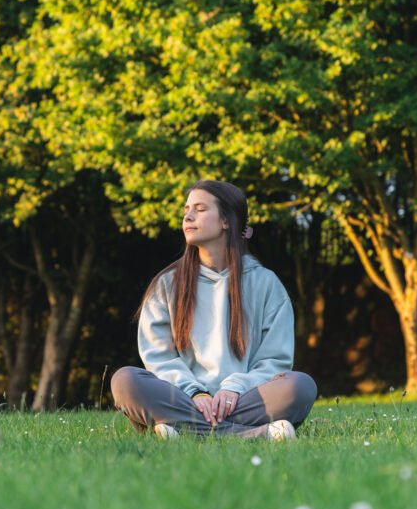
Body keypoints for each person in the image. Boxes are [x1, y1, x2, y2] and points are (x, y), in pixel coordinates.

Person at [111, 180, 317, 440]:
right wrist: (196, 393)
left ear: (226, 221)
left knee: (300, 386)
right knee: (125, 381)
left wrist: (233, 389)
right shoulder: (167, 283)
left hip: (244, 399)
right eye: (186, 209)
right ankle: (255, 434)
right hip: (184, 397)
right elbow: (159, 359)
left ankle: (184, 431)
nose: (188, 216)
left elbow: (274, 361)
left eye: (200, 209)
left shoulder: (266, 284)